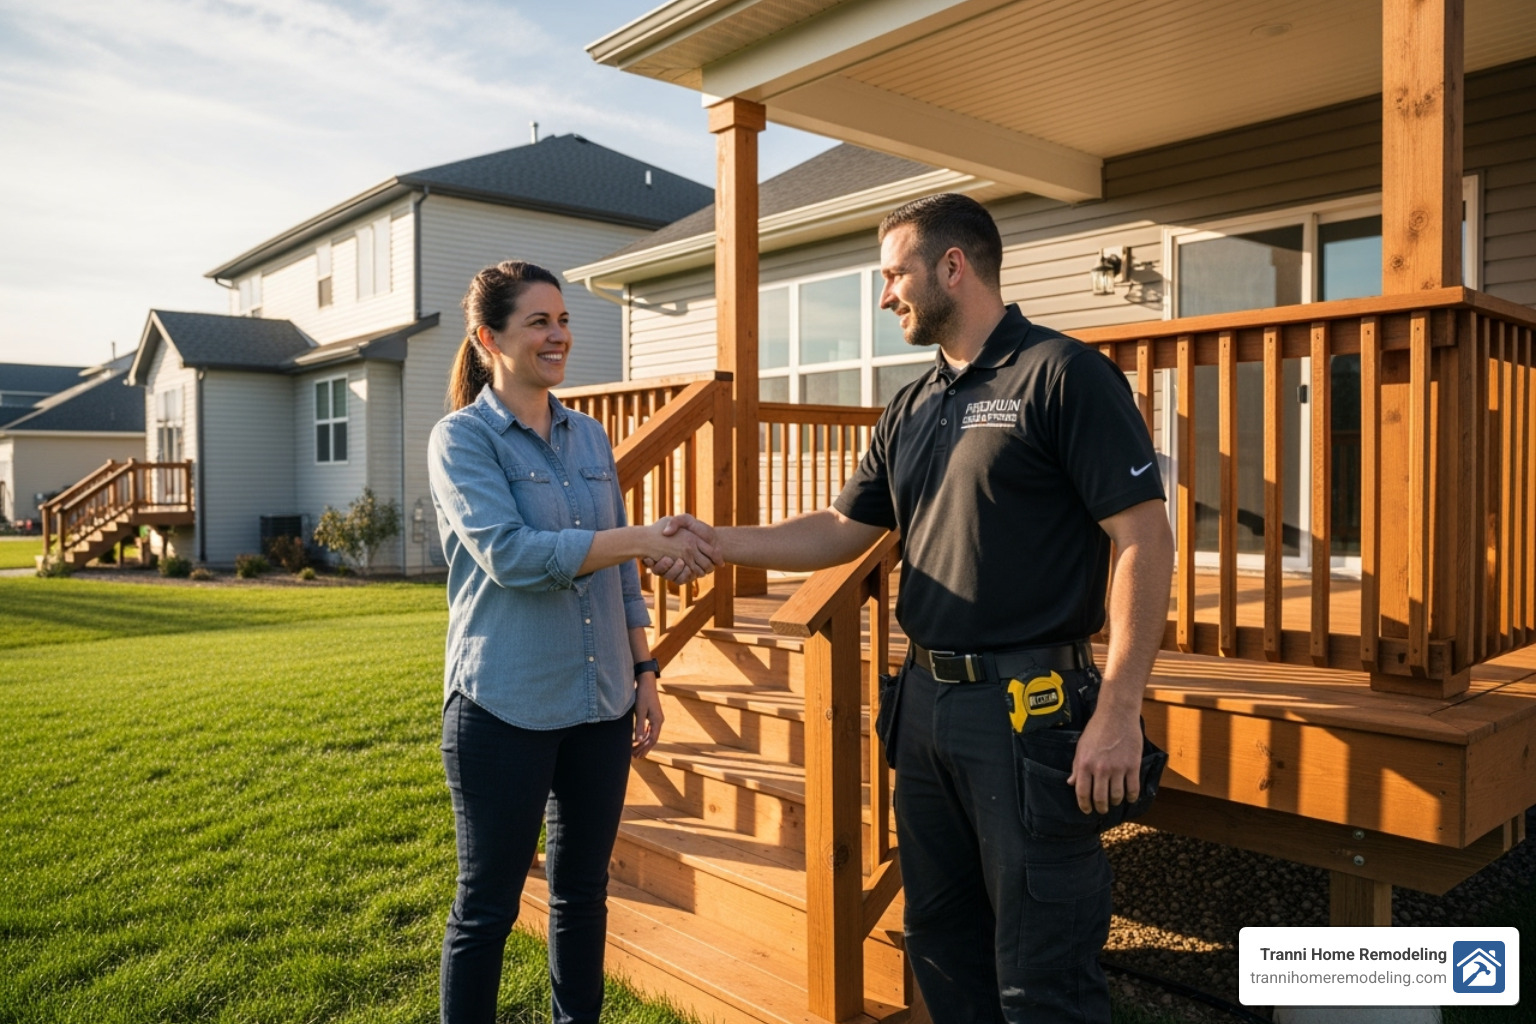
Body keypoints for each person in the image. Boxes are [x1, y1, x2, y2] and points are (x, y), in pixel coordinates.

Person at [659, 194, 1173, 1023]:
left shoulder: (1061, 373)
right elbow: (840, 527)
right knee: (940, 939)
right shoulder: (915, 403)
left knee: (1043, 972)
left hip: (1029, 710)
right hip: (925, 706)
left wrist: (1119, 710)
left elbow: (1144, 537)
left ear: (953, 266)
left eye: (894, 273)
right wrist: (717, 541)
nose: (885, 294)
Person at [427, 260, 718, 1024]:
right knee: (487, 908)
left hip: (601, 705)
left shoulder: (589, 435)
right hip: (503, 707)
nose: (558, 336)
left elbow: (617, 570)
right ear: (490, 338)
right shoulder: (462, 440)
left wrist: (646, 668)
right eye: (539, 322)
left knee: (583, 894)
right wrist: (635, 537)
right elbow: (513, 555)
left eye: (562, 320)